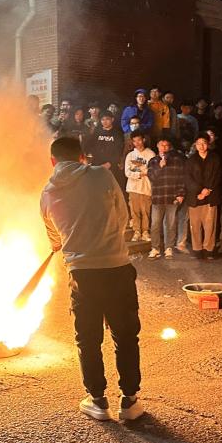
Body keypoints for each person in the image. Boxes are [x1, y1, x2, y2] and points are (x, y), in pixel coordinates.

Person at [41, 135, 144, 421]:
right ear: (82, 157)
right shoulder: (102, 175)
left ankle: (97, 400)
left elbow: (54, 238)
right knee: (125, 335)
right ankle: (130, 401)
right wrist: (107, 239)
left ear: (52, 161)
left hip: (81, 274)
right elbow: (121, 216)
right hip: (117, 267)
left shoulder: (47, 194)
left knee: (88, 339)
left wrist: (69, 244)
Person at [146, 134, 186, 259]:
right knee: (155, 224)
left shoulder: (177, 161)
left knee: (171, 224)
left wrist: (180, 194)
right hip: (158, 198)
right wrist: (160, 166)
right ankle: (155, 248)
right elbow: (152, 177)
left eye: (166, 145)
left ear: (169, 147)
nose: (164, 148)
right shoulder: (153, 161)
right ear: (157, 146)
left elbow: (181, 179)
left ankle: (169, 247)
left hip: (172, 197)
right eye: (161, 145)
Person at [185, 133, 222, 259]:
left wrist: (208, 190)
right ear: (195, 145)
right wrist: (200, 191)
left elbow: (217, 175)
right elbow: (188, 178)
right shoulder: (191, 160)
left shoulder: (215, 158)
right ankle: (197, 249)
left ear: (208, 144)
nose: (201, 146)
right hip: (195, 197)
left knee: (210, 224)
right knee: (195, 225)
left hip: (211, 196)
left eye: (204, 143)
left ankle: (209, 249)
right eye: (198, 143)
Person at [125, 131, 155, 242]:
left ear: (143, 140)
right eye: (134, 141)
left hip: (146, 187)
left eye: (139, 140)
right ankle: (137, 231)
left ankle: (145, 232)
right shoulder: (130, 155)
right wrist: (140, 173)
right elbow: (127, 172)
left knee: (145, 211)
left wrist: (140, 170)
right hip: (133, 187)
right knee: (134, 211)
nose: (137, 143)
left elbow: (152, 170)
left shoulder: (151, 154)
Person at [84, 110, 125, 188]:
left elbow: (119, 150)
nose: (105, 122)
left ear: (112, 119)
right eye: (102, 119)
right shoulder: (97, 132)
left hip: (111, 166)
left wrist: (110, 163)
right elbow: (90, 146)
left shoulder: (117, 133)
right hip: (96, 164)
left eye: (107, 119)